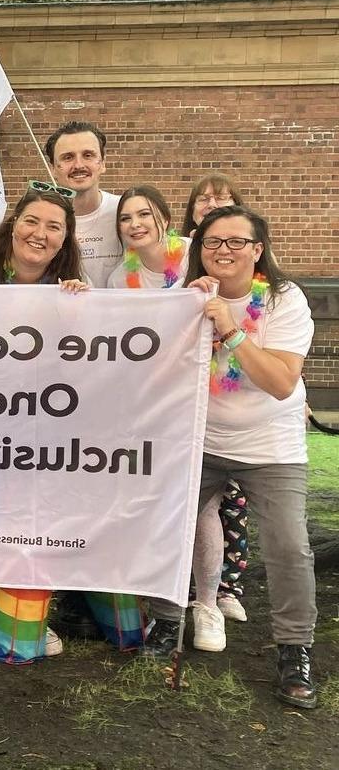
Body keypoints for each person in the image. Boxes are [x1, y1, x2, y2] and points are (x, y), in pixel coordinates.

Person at [143, 205, 318, 709]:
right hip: (200, 438)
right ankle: (165, 625)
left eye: (235, 242)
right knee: (167, 524)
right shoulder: (185, 297)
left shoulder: (286, 301)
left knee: (288, 545)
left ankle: (294, 651)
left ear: (257, 250)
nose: (223, 250)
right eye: (213, 241)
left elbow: (283, 383)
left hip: (271, 444)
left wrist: (232, 329)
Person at [0, 183, 92, 663]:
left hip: (43, 423)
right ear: (13, 224)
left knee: (36, 513)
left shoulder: (69, 283)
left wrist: (86, 311)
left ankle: (29, 610)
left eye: (54, 227)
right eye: (31, 221)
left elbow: (88, 357)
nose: (39, 234)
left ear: (65, 239)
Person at [181, 174, 251, 622]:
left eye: (221, 198)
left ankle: (228, 587)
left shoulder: (252, 269)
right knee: (195, 502)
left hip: (240, 410)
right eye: (203, 199)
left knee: (233, 503)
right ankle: (191, 590)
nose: (211, 203)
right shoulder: (183, 264)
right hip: (188, 405)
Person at [44, 121, 121, 286]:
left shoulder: (126, 213)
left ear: (102, 163)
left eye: (88, 155)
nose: (78, 165)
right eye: (68, 157)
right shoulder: (40, 221)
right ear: (53, 168)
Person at [106, 185, 189, 290]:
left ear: (165, 220)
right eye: (125, 218)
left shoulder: (194, 255)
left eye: (144, 214)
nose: (134, 224)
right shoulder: (118, 282)